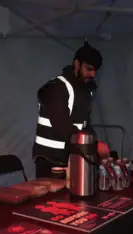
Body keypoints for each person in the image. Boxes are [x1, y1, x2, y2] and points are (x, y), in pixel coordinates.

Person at [33, 42, 110, 178]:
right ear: (76, 64)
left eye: (95, 71)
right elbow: (63, 126)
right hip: (50, 162)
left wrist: (95, 142)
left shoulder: (84, 92)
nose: (92, 74)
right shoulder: (57, 87)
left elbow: (85, 125)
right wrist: (94, 144)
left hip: (71, 160)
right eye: (89, 69)